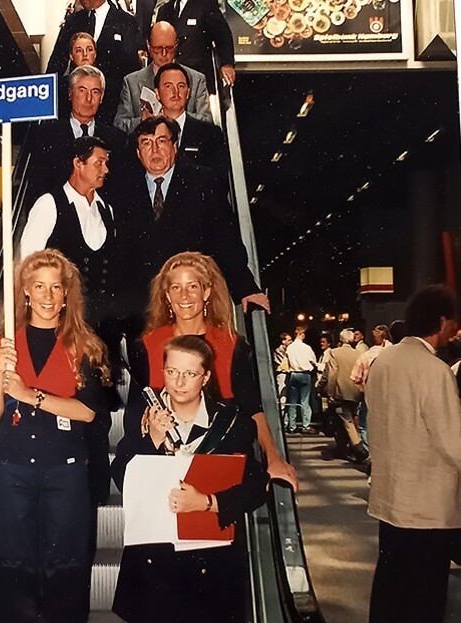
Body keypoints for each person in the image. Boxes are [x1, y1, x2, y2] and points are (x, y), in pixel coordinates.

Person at [0, 250, 110, 623]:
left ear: (66, 293)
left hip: (65, 471)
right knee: (13, 572)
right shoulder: (2, 344)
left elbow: (89, 412)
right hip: (11, 472)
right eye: (40, 286)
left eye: (57, 286)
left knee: (66, 573)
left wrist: (29, 393)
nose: (49, 296)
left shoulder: (84, 346)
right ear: (25, 292)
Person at [112, 335, 269, 623]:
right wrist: (150, 442)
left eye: (189, 373)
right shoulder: (146, 419)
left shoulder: (231, 421)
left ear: (205, 377)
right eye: (171, 371)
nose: (178, 382)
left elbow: (253, 485)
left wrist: (210, 503)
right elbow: (120, 478)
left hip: (208, 553)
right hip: (157, 554)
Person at [364, 285, 461, 623]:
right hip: (429, 507)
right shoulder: (433, 370)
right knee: (424, 603)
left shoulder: (384, 362)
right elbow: (452, 443)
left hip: (390, 501)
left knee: (390, 596)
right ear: (441, 322)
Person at [127, 251, 298, 489]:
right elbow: (136, 410)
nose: (184, 295)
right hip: (167, 458)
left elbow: (252, 407)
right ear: (167, 295)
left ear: (206, 292)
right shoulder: (148, 344)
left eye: (192, 287)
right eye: (176, 288)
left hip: (221, 452)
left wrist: (273, 457)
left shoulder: (231, 344)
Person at [21, 136, 123, 505]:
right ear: (78, 164)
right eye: (99, 162)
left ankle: (94, 494)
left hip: (100, 336)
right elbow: (27, 266)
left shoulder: (106, 209)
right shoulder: (49, 205)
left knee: (98, 415)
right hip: (62, 330)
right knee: (68, 408)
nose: (106, 169)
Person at [119, 115, 268, 328]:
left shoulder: (203, 182)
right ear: (137, 153)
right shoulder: (125, 191)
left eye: (162, 141)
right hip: (144, 310)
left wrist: (246, 288)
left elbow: (226, 239)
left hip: (192, 306)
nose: (154, 150)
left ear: (175, 146)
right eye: (146, 143)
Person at [28, 65, 126, 201]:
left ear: (102, 97)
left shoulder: (116, 139)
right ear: (70, 93)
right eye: (82, 90)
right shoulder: (47, 135)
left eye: (95, 92)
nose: (88, 98)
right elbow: (37, 187)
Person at [48, 0, 144, 124]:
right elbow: (56, 64)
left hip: (111, 111)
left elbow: (131, 70)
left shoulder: (125, 22)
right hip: (74, 111)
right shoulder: (73, 21)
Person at [113, 20, 211, 133]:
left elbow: (207, 121)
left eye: (169, 49)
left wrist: (176, 116)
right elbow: (119, 125)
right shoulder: (132, 82)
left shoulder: (196, 80)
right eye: (158, 49)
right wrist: (142, 121)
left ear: (176, 46)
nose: (164, 54)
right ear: (149, 47)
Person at [153, 62, 228, 175]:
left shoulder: (210, 133)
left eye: (181, 86)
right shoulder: (143, 133)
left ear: (188, 93)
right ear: (157, 93)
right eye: (168, 86)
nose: (176, 92)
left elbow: (219, 179)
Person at [156, 0, 236, 94]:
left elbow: (223, 35)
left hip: (198, 77)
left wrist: (226, 64)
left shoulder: (205, 5)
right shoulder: (164, 10)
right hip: (170, 79)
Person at [324, 328, 368, 462]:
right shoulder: (358, 354)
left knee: (346, 420)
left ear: (341, 340)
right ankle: (344, 447)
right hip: (355, 391)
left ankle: (358, 446)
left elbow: (332, 374)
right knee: (351, 417)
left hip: (340, 392)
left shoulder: (334, 353)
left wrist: (330, 392)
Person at [350, 324, 391, 447]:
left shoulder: (365, 356)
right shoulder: (393, 354)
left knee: (364, 424)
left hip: (369, 395)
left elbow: (355, 378)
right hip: (390, 395)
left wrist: (363, 387)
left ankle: (370, 451)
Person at [56, 32, 99, 118]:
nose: (85, 54)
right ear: (71, 56)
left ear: (95, 54)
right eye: (79, 50)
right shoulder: (60, 86)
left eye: (89, 49)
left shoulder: (107, 85)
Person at [285, 326, 317, 434]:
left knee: (292, 401)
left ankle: (292, 426)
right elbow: (313, 361)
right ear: (302, 334)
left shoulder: (290, 348)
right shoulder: (307, 348)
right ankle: (305, 425)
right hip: (305, 374)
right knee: (305, 401)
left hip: (293, 374)